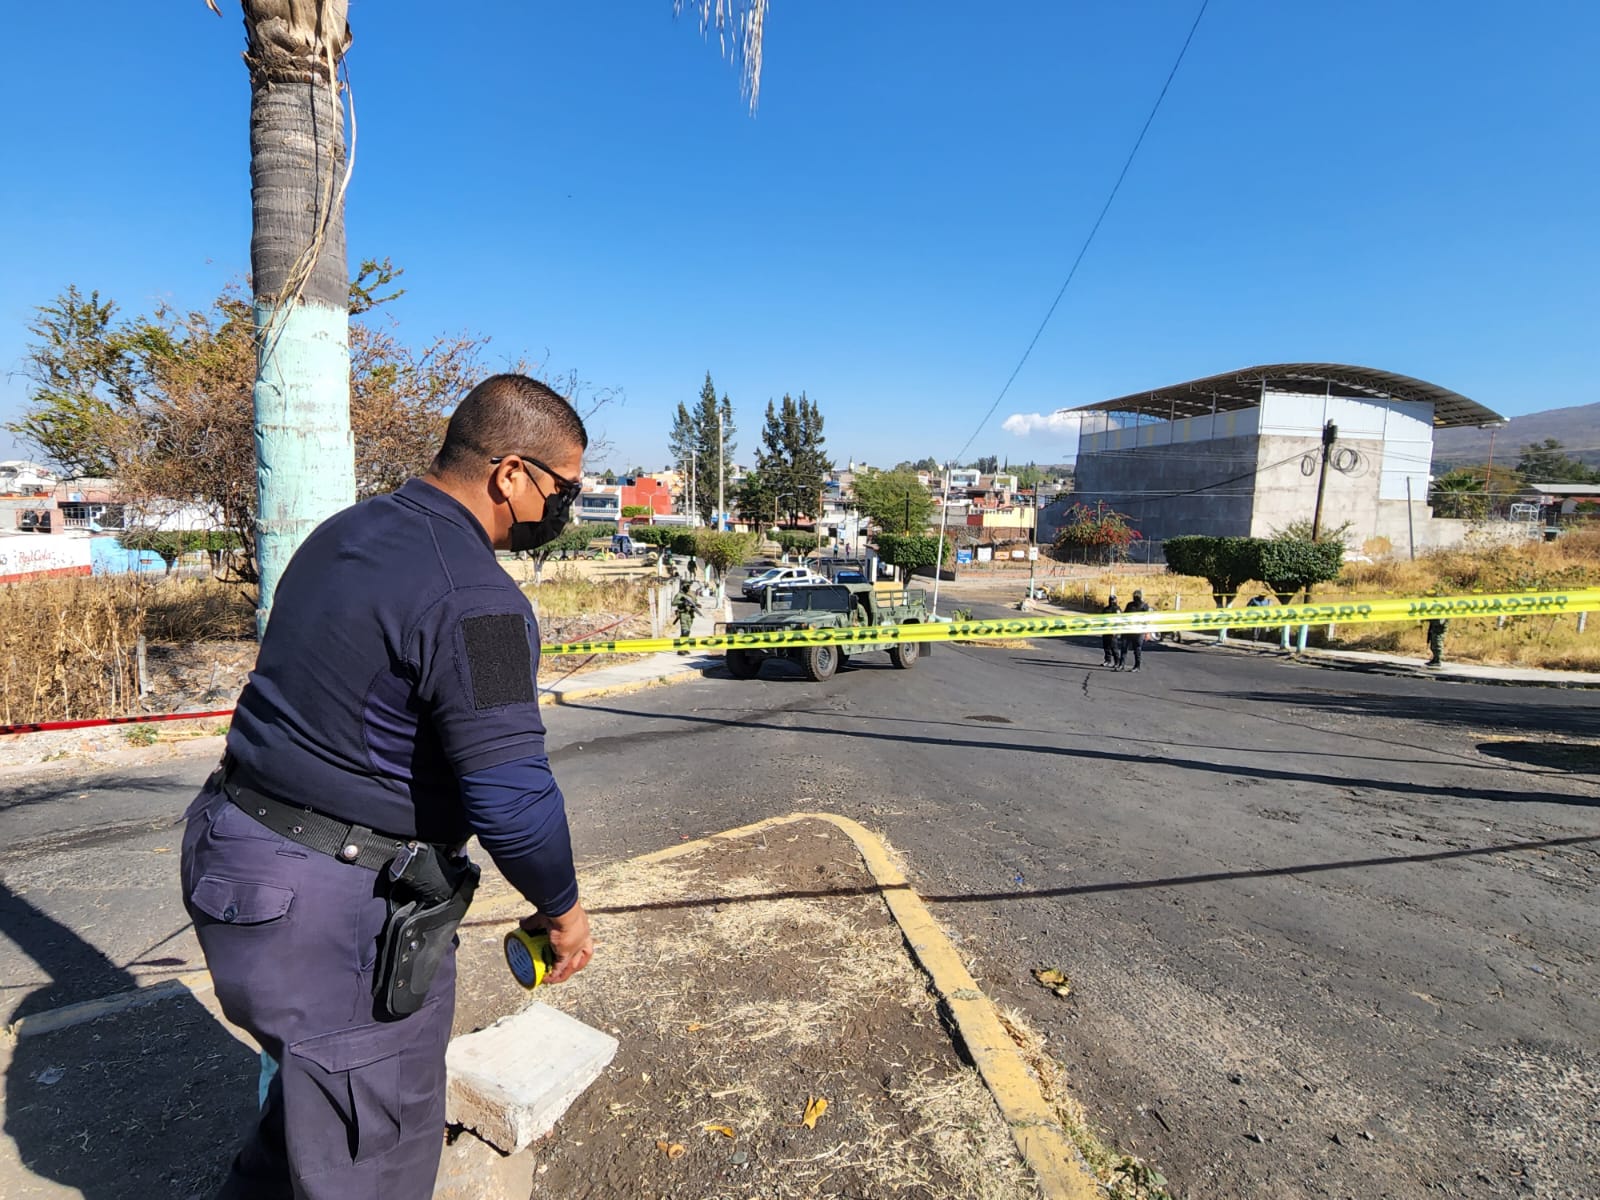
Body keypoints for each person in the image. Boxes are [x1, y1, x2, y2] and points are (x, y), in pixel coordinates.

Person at [180, 375, 595, 1199]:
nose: (565, 508)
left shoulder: (347, 532)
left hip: (235, 858)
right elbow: (514, 798)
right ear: (511, 474)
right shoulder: (481, 603)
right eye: (564, 489)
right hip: (333, 918)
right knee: (373, 1157)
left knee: (310, 1120)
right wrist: (565, 910)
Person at [1119, 588, 1152, 672]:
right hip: (1128, 630)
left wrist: (1147, 632)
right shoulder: (1130, 605)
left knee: (1137, 649)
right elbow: (1124, 617)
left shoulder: (1144, 606)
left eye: (1137, 596)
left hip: (1138, 631)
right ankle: (1121, 665)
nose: (1136, 598)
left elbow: (1147, 620)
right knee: (1124, 647)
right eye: (1135, 596)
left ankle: (1137, 666)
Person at [672, 584, 702, 653]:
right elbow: (673, 603)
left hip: (691, 615)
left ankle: (685, 647)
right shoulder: (679, 595)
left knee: (687, 632)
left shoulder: (692, 594)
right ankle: (680, 649)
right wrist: (682, 603)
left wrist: (697, 605)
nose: (688, 588)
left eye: (688, 586)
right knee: (684, 631)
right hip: (683, 614)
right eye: (686, 586)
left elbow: (694, 602)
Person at [1100, 593, 1121, 667]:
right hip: (1105, 631)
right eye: (1110, 600)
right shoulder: (1105, 609)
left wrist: (1116, 630)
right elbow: (1101, 619)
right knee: (1106, 647)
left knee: (1114, 647)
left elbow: (1119, 620)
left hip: (1113, 631)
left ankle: (1117, 662)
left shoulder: (1117, 609)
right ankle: (1107, 660)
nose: (1111, 601)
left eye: (1113, 600)